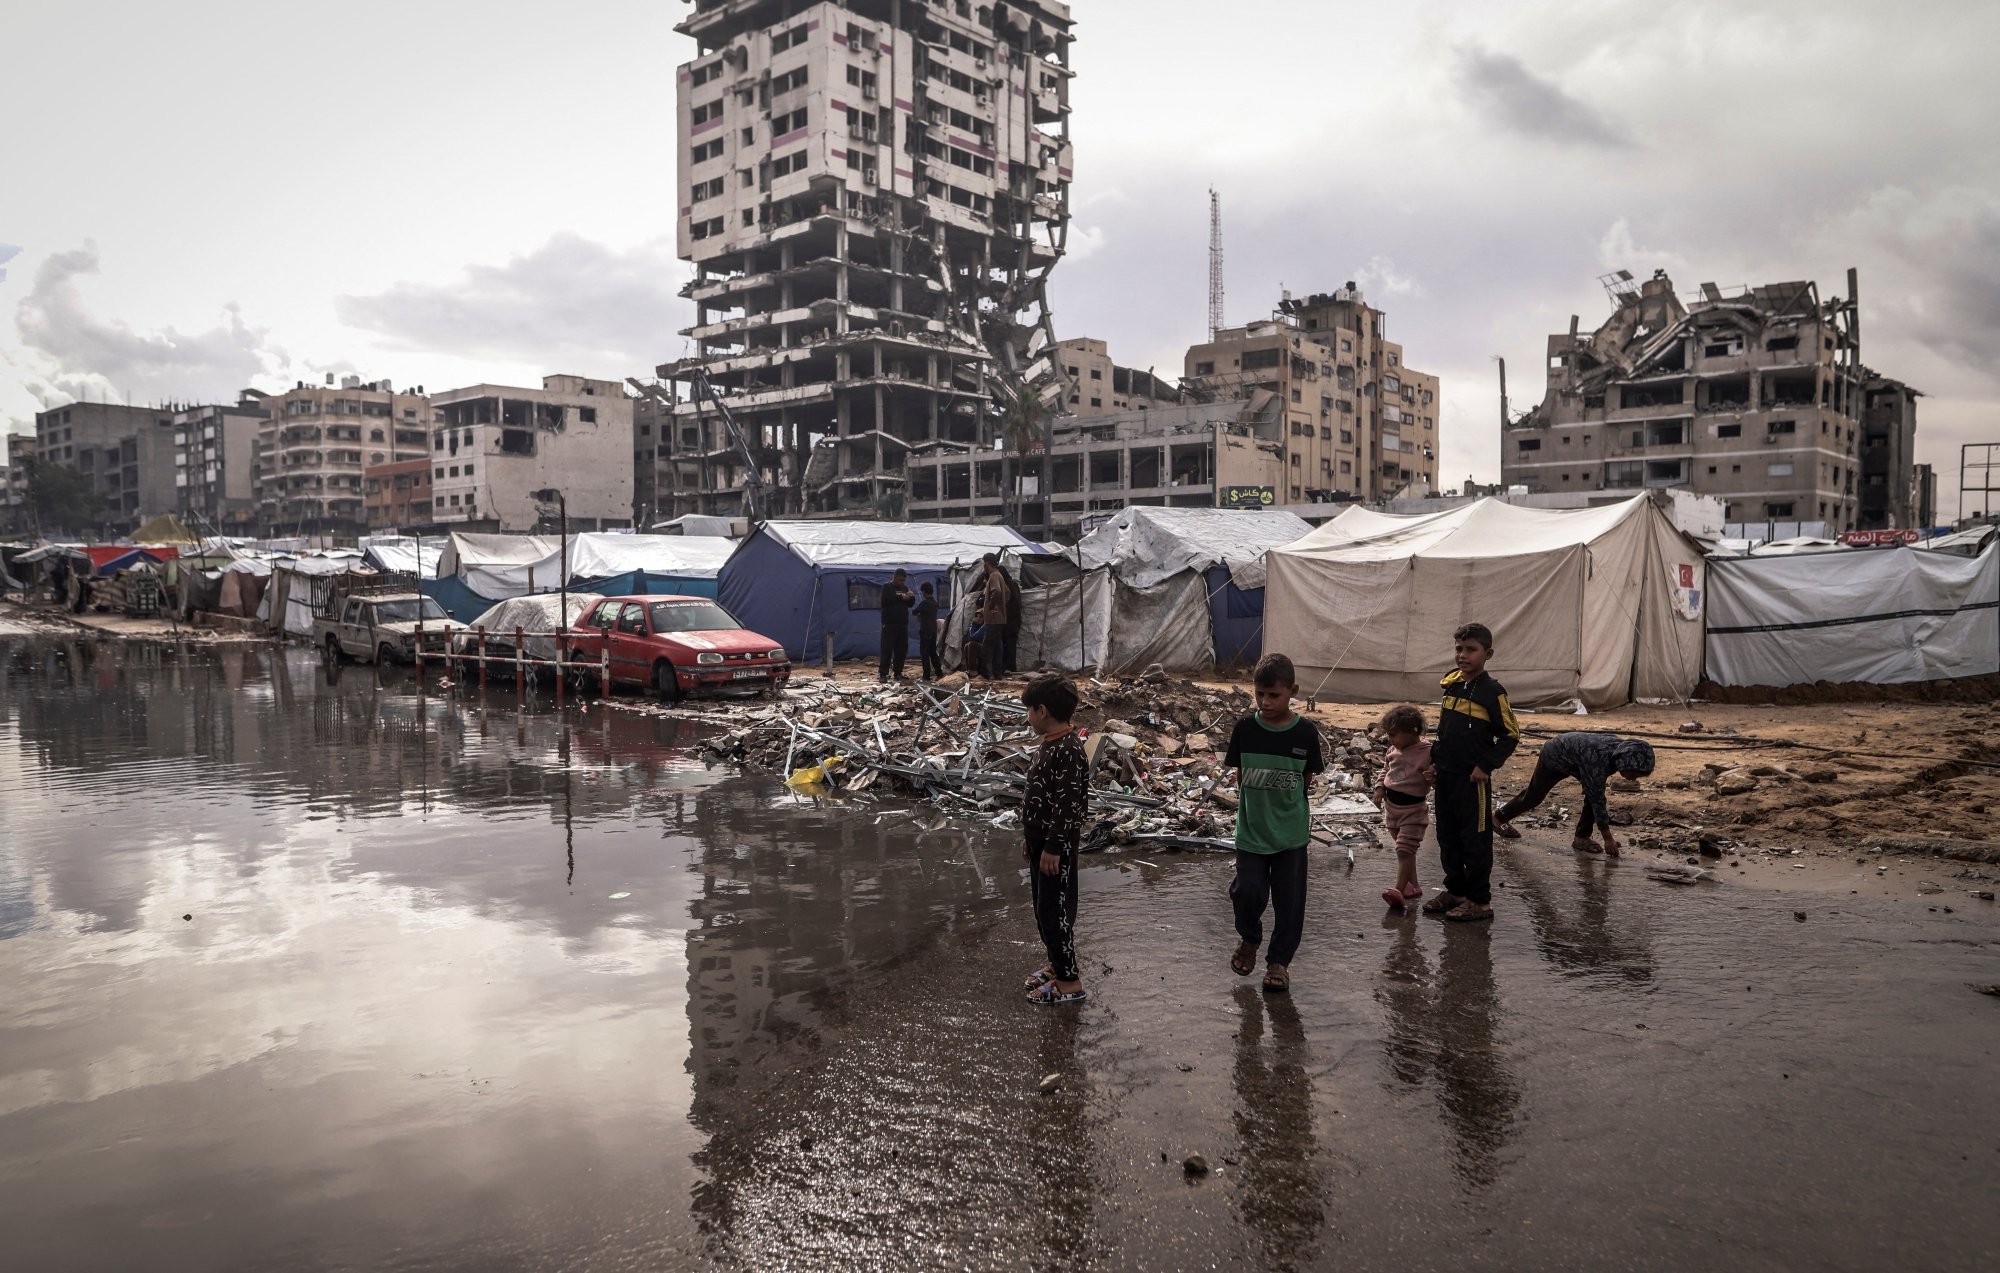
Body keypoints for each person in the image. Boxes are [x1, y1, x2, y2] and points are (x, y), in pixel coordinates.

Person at [1224, 652, 1324, 993]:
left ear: (1292, 691)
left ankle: (1279, 961)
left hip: (1291, 835)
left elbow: (1306, 779)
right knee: (1248, 891)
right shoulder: (1246, 729)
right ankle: (1250, 938)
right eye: (1260, 694)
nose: (1265, 702)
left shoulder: (1306, 733)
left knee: (1289, 902)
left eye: (1274, 695)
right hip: (1251, 831)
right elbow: (1240, 776)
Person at [1422, 623, 1521, 923]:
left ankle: (1480, 902)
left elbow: (1511, 735)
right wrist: (1435, 763)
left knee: (1475, 839)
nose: (1462, 655)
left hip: (1472, 781)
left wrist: (1486, 765)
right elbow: (1445, 733)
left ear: (1487, 654)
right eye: (1458, 649)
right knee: (1447, 836)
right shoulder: (1451, 685)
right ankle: (1456, 892)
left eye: (1470, 650)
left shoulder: (1493, 692)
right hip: (1446, 777)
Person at [1021, 674, 1090, 1004]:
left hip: (1055, 848)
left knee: (1055, 912)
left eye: (1029, 710)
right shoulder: (1049, 745)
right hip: (1040, 843)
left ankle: (1069, 982)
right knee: (1041, 909)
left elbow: (1068, 805)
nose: (1027, 717)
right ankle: (1056, 965)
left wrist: (1053, 846)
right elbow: (1040, 799)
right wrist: (1030, 840)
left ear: (1042, 710)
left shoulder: (1069, 751)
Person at [1495, 733, 1656, 856]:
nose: (1633, 779)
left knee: (1592, 795)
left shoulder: (1619, 750)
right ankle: (1498, 818)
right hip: (1555, 754)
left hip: (1577, 757)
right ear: (1624, 762)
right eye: (1633, 774)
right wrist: (1608, 839)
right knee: (1534, 796)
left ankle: (1581, 837)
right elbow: (1598, 800)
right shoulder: (1598, 760)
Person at [1373, 704, 1433, 910]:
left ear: (1412, 731)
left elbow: (1437, 778)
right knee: (1405, 851)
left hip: (1413, 811)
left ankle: (1397, 889)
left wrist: (1433, 777)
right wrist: (1380, 788)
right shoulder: (1393, 750)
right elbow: (1385, 770)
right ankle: (1413, 885)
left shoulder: (1428, 753)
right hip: (1392, 809)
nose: (1390, 739)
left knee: (1404, 850)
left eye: (1393, 734)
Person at [877, 569, 915, 682]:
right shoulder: (887, 587)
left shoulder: (904, 588)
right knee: (887, 649)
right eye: (900, 580)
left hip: (902, 624)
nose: (902, 582)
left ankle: (898, 672)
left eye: (903, 580)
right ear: (894, 577)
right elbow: (885, 601)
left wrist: (911, 597)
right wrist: (900, 597)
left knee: (901, 649)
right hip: (889, 623)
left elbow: (910, 604)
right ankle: (883, 674)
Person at [978, 555, 1011, 681]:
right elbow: (1007, 593)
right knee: (997, 647)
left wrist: (992, 606)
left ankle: (986, 674)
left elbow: (996, 591)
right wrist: (1001, 606)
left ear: (987, 563)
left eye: (984, 563)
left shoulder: (994, 576)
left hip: (993, 618)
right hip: (1000, 618)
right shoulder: (1000, 575)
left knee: (987, 646)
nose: (983, 566)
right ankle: (997, 673)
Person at [915, 581, 942, 681]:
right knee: (933, 652)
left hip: (925, 631)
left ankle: (926, 675)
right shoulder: (935, 603)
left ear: (924, 592)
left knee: (925, 653)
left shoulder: (924, 602)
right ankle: (939, 672)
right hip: (933, 631)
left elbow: (914, 611)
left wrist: (920, 615)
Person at [1000, 562, 1023, 675]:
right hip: (1005, 621)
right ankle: (1005, 667)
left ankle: (1010, 667)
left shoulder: (1011, 585)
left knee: (1010, 644)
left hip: (1012, 621)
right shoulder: (1005, 584)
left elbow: (1016, 603)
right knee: (1005, 644)